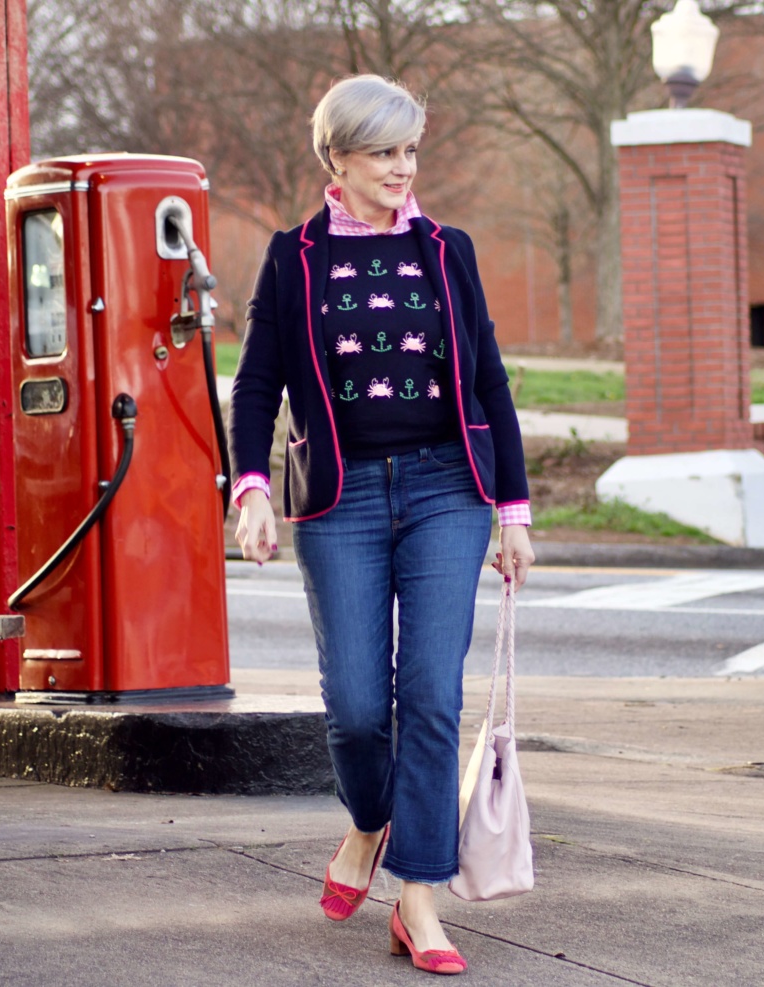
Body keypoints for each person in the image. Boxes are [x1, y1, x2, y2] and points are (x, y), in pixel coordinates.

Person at [229, 74, 534, 976]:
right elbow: (255, 386)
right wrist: (249, 487)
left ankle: (421, 902)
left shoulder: (448, 250)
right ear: (338, 160)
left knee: (431, 698)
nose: (403, 169)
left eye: (410, 151)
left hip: (449, 490)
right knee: (360, 708)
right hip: (341, 499)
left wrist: (512, 511)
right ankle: (366, 827)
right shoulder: (294, 258)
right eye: (383, 154)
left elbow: (490, 381)